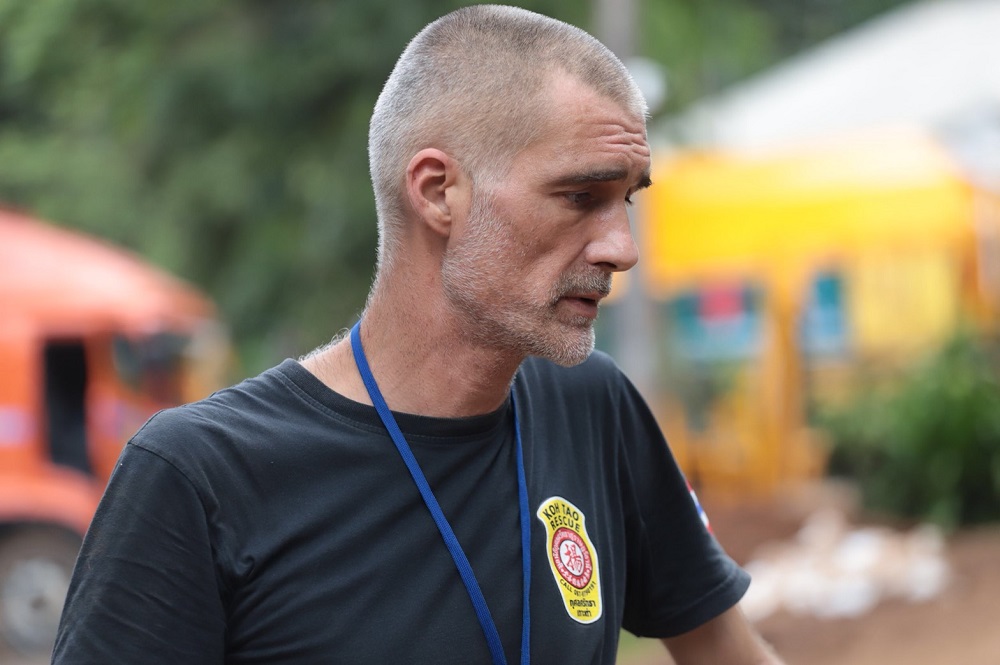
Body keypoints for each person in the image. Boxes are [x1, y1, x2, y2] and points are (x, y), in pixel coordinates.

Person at [53, 5, 783, 664]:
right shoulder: (198, 476)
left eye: (626, 199)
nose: (621, 247)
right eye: (581, 196)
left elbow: (727, 649)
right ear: (438, 191)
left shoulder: (592, 408)